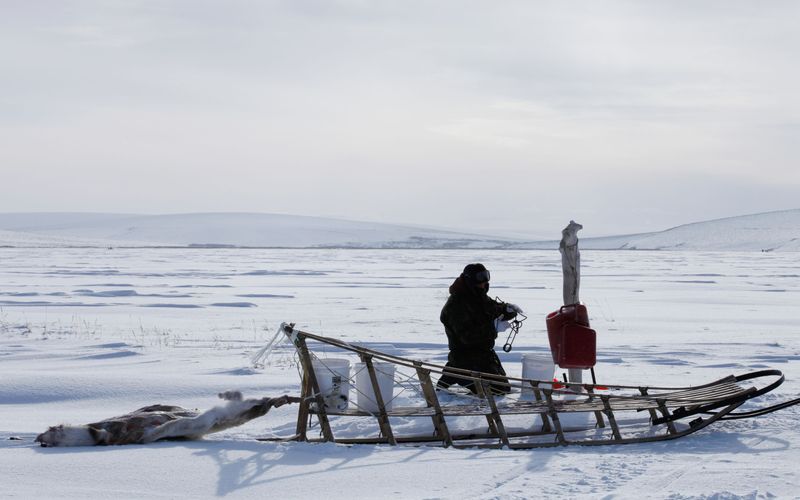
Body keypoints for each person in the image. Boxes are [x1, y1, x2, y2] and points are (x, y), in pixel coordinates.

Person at [437, 263, 523, 395]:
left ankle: (454, 371)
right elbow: (467, 337)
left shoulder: (479, 297)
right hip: (466, 356)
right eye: (480, 277)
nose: (484, 282)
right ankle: (457, 371)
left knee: (503, 387)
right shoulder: (456, 305)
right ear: (470, 279)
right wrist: (494, 328)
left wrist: (508, 310)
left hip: (484, 354)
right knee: (496, 390)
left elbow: (494, 309)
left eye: (486, 276)